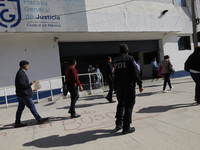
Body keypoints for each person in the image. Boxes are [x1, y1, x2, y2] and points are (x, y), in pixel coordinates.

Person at [113, 44, 143, 134]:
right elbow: (135, 72)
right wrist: (140, 84)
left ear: (119, 51)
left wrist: (115, 87)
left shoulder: (115, 60)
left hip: (119, 86)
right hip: (128, 85)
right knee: (129, 105)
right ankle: (126, 127)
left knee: (120, 104)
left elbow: (116, 74)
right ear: (127, 51)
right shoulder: (130, 59)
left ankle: (119, 123)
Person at [15, 61, 49, 128]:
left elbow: (22, 85)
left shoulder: (20, 73)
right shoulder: (21, 74)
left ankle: (17, 122)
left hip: (20, 94)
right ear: (25, 66)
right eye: (28, 65)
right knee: (31, 106)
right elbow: (22, 85)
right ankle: (39, 119)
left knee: (20, 108)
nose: (28, 67)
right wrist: (31, 83)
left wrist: (31, 88)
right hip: (24, 95)